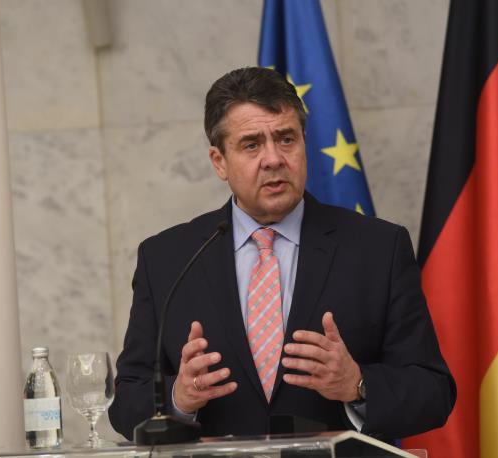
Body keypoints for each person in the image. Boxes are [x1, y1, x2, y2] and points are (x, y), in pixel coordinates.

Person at [109, 67, 455, 441]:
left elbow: (433, 392)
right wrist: (178, 398)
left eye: (286, 139)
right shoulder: (167, 259)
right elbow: (126, 402)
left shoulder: (378, 249)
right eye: (251, 145)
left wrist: (357, 384)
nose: (273, 159)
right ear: (219, 161)